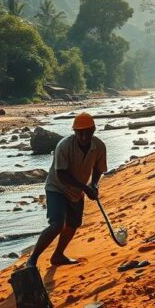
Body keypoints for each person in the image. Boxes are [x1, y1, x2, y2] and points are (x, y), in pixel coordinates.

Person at [26, 112, 107, 267]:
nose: (84, 137)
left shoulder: (99, 147)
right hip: (57, 187)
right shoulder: (63, 146)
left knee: (74, 224)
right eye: (80, 133)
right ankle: (32, 260)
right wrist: (85, 187)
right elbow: (62, 175)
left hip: (77, 191)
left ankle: (58, 255)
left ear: (93, 130)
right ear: (74, 132)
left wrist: (94, 185)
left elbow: (98, 168)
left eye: (87, 133)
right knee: (57, 224)